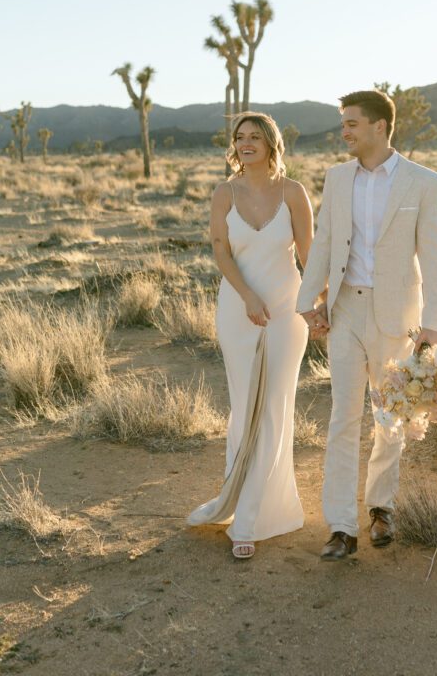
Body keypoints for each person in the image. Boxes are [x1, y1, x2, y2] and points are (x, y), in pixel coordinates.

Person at [296, 89, 437, 560]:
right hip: (345, 311)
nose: (344, 131)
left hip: (397, 317)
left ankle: (381, 506)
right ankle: (341, 525)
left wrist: (433, 324)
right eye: (343, 123)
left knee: (390, 415)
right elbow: (323, 244)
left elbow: (435, 257)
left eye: (352, 123)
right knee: (343, 417)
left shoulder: (423, 182)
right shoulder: (337, 178)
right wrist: (309, 301)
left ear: (380, 126)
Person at [187, 113, 313, 559]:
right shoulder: (225, 192)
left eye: (254, 136)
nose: (245, 143)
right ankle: (238, 501)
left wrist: (314, 306)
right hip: (238, 307)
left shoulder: (293, 192)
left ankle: (257, 516)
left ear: (271, 142)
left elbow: (308, 253)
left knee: (276, 405)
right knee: (245, 404)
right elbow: (221, 250)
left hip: (285, 308)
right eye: (239, 137)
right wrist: (247, 297)